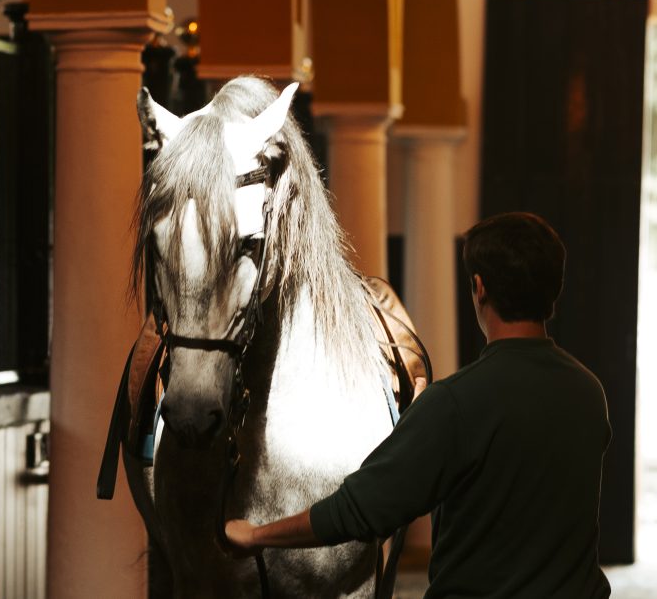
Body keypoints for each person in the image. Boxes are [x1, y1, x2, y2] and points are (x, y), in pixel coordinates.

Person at [224, 212, 612, 598]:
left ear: (479, 288)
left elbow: (359, 511)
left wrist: (257, 534)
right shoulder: (589, 392)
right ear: (553, 290)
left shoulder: (457, 403)